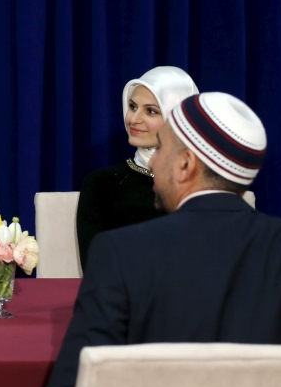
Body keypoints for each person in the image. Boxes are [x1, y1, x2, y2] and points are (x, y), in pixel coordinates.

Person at [13, 93, 281, 387]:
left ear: (185, 165)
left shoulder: (122, 252)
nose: (153, 162)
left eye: (161, 150)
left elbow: (76, 386)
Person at [76, 66, 199, 269]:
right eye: (133, 106)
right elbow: (97, 267)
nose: (134, 119)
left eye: (150, 111)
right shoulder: (101, 183)